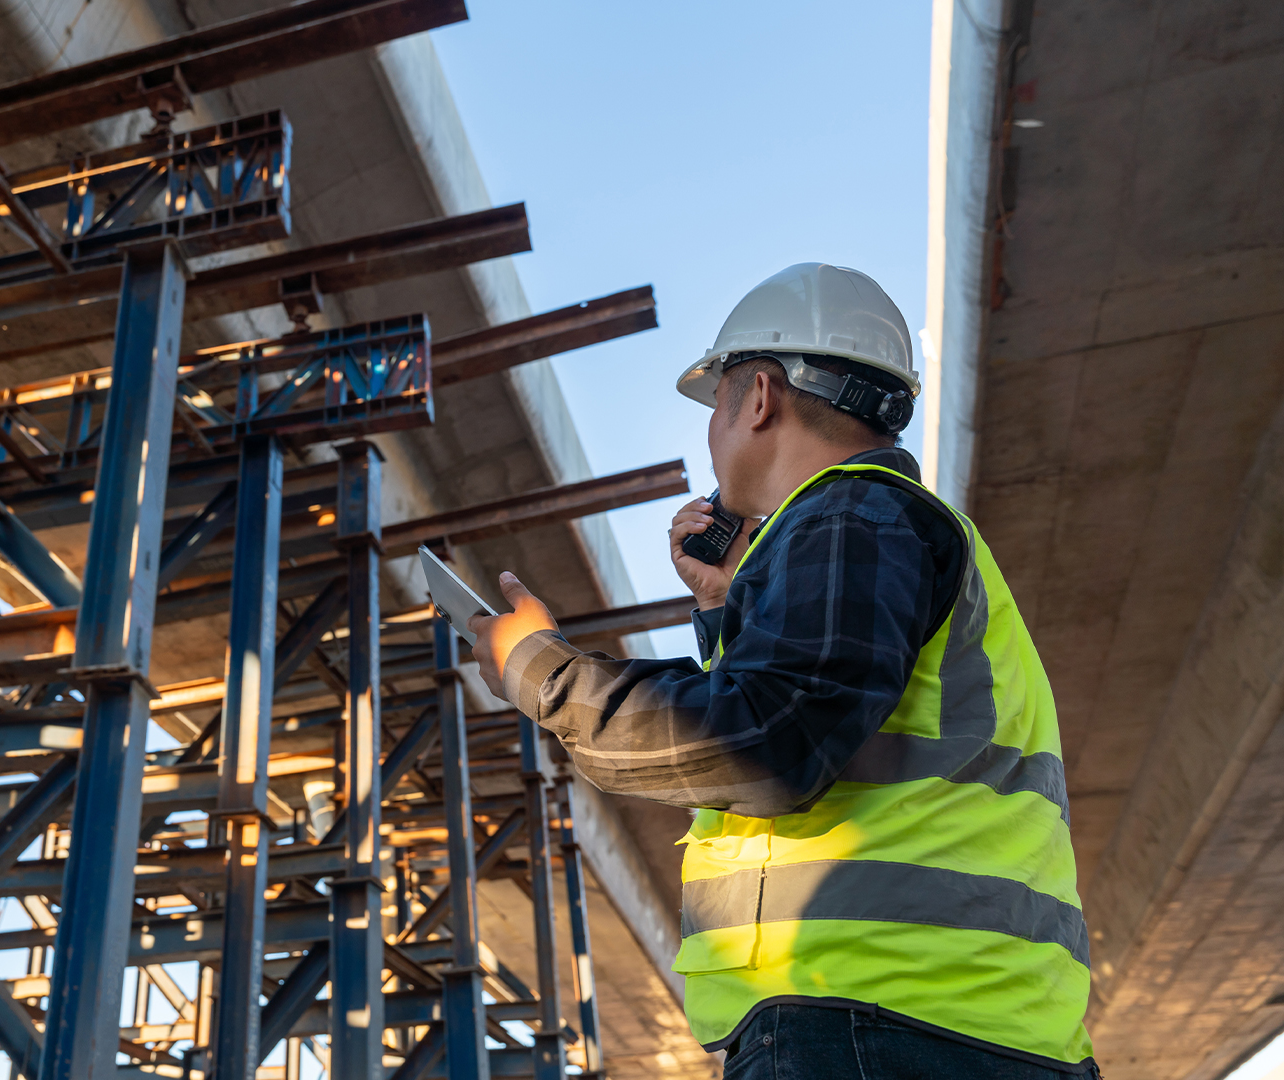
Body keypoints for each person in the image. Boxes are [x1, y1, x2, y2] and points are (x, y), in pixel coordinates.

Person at [467, 264, 1098, 1078]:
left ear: (758, 396)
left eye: (717, 404)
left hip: (872, 1019)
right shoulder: (887, 528)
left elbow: (766, 741)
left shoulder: (853, 514)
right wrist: (732, 608)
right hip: (951, 1022)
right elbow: (828, 717)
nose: (714, 433)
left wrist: (538, 671)